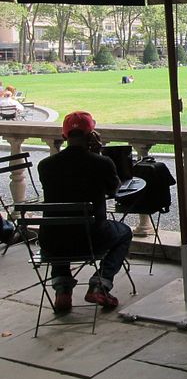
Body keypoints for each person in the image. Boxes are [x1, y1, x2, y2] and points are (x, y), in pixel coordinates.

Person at [37, 111, 133, 312]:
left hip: (51, 241)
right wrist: (97, 153)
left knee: (60, 225)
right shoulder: (101, 163)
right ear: (91, 135)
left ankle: (62, 290)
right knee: (124, 232)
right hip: (92, 237)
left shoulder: (45, 166)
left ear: (64, 137)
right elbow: (114, 190)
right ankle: (101, 283)